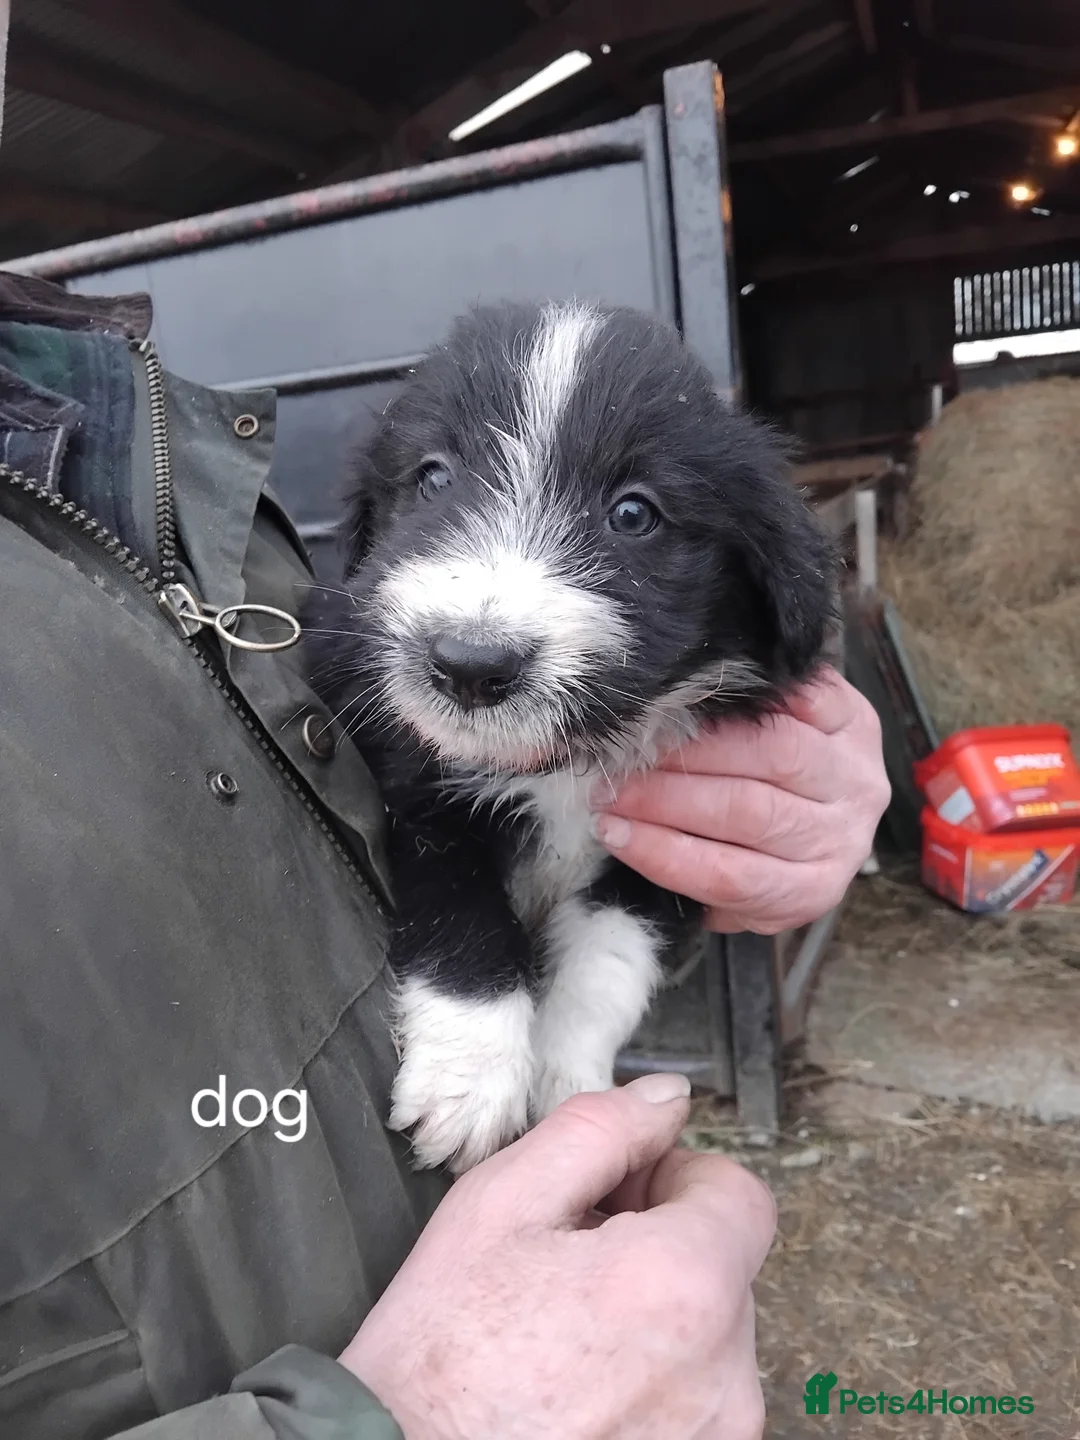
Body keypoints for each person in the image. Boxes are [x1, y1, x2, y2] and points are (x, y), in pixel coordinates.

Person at [0, 270, 890, 1440]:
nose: (483, 597)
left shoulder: (137, 433)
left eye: (634, 514)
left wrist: (771, 820)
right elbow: (427, 816)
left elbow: (625, 864)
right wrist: (411, 1417)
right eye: (436, 479)